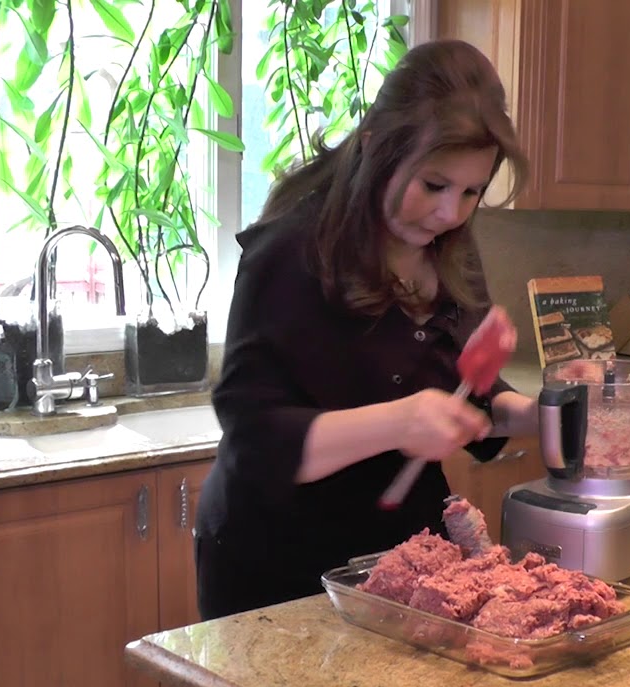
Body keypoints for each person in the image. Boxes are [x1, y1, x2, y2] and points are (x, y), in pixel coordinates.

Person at [194, 39, 539, 620]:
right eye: (434, 185)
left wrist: (532, 412)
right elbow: (257, 442)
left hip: (404, 559)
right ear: (378, 148)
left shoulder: (450, 251)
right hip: (279, 564)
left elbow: (466, 393)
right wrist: (399, 422)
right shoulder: (290, 254)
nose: (451, 213)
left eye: (471, 192)